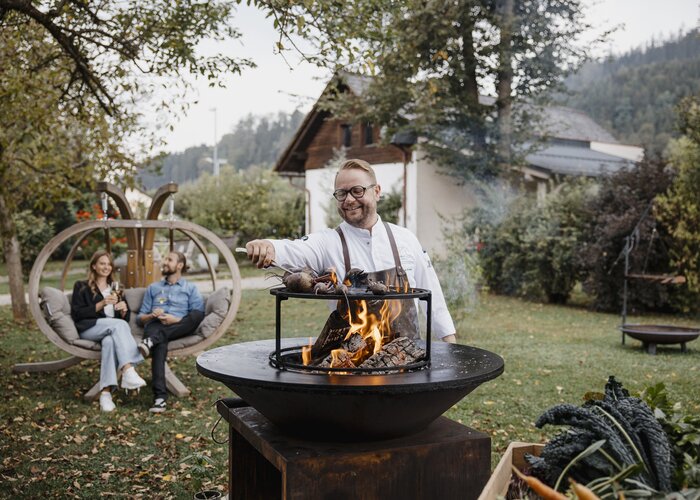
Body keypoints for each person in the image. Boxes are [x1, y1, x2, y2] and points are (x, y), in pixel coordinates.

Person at [246, 158, 457, 343]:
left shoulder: (406, 239)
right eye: (341, 193)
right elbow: (293, 249)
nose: (348, 199)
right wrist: (268, 246)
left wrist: (451, 348)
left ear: (377, 191)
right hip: (350, 366)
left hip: (406, 359)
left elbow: (434, 299)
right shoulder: (328, 242)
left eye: (357, 190)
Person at [71, 250, 147, 412]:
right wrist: (103, 303)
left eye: (109, 264)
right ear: (94, 266)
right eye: (102, 263)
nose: (106, 267)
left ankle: (105, 394)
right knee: (117, 326)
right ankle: (128, 369)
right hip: (89, 329)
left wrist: (124, 310)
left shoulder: (117, 290)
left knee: (110, 341)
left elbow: (123, 322)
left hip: (109, 332)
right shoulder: (81, 286)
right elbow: (78, 314)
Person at [137, 251, 204, 413]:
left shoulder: (190, 288)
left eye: (169, 259)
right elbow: (140, 318)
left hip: (179, 327)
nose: (164, 262)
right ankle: (160, 398)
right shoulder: (153, 288)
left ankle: (152, 341)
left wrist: (177, 320)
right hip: (156, 325)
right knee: (159, 342)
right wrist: (151, 315)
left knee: (196, 314)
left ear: (179, 265)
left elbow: (198, 314)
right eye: (165, 259)